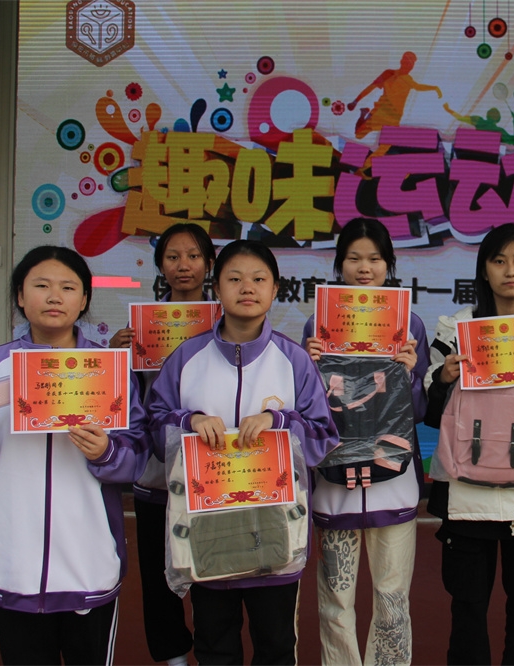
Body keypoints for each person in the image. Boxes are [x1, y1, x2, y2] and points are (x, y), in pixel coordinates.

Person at [0, 246, 149, 665]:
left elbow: (137, 453)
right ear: (20, 295)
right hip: (11, 561)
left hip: (88, 561)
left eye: (68, 287)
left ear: (83, 300)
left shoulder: (108, 369)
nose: (54, 297)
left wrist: (106, 452)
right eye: (41, 286)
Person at [146, 240, 338, 665]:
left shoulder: (293, 360)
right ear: (216, 288)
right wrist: (188, 421)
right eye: (234, 279)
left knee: (276, 647)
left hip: (276, 533)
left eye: (258, 279)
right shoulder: (187, 357)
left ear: (275, 289)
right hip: (208, 532)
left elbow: (323, 437)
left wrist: (280, 422)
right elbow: (153, 428)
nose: (246, 287)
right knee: (214, 647)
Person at [423, 223, 514, 665]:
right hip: (466, 497)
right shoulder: (454, 330)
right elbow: (428, 412)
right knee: (468, 612)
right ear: (483, 269)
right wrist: (443, 378)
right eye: (499, 260)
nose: (510, 270)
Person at [301, 218, 430, 665]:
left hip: (393, 477)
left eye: (374, 259)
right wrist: (310, 368)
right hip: (334, 480)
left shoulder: (409, 323)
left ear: (388, 264)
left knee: (392, 597)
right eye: (354, 258)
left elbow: (419, 410)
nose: (364, 268)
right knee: (335, 602)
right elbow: (307, 407)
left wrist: (410, 374)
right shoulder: (318, 322)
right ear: (339, 264)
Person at [110, 222, 216, 666]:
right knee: (157, 573)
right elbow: (122, 401)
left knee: (213, 569)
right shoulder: (142, 326)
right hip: (157, 471)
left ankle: (213, 650)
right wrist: (117, 357)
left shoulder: (228, 322)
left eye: (192, 256)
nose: (183, 265)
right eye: (173, 257)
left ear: (209, 264)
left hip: (213, 468)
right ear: (160, 266)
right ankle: (172, 656)